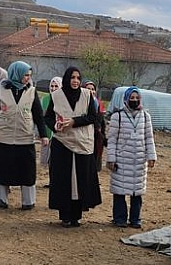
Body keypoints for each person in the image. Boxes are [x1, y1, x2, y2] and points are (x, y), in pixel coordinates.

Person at [0, 61, 48, 210]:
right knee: (2, 168)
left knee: (27, 170)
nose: (28, 78)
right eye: (25, 75)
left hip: (24, 137)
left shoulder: (32, 91)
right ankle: (2, 199)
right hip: (3, 136)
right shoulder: (1, 90)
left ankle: (28, 201)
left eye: (29, 75)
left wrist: (43, 134)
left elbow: (38, 115)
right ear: (16, 74)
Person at [44, 67, 102, 227]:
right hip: (62, 142)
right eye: (72, 77)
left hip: (83, 143)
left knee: (80, 180)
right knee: (64, 180)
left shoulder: (87, 95)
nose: (75, 81)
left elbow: (93, 117)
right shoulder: (56, 96)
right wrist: (55, 126)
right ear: (67, 79)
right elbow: (48, 117)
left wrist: (74, 121)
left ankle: (76, 215)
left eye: (78, 77)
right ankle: (65, 215)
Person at [106, 86, 156, 229]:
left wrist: (151, 156)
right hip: (122, 159)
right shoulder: (118, 116)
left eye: (136, 98)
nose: (134, 101)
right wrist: (111, 158)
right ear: (126, 99)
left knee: (137, 192)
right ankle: (119, 218)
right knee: (119, 191)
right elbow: (112, 140)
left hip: (139, 160)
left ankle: (135, 219)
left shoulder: (146, 117)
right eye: (131, 98)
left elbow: (149, 138)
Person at [40, 76, 62, 187]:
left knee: (56, 160)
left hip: (59, 134)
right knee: (49, 160)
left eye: (56, 86)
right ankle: (51, 181)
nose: (53, 88)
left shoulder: (63, 100)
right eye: (52, 86)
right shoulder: (45, 100)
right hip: (47, 133)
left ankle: (57, 181)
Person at [82, 80, 107, 171]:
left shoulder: (99, 104)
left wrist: (102, 135)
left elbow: (102, 122)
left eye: (92, 89)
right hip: (84, 135)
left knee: (96, 157)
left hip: (96, 135)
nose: (91, 91)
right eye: (88, 89)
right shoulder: (80, 104)